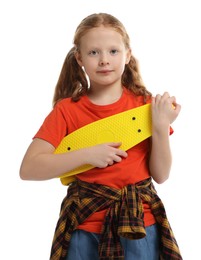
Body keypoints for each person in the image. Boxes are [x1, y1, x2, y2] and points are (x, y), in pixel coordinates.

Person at [19, 13, 182, 260]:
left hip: (139, 227)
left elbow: (160, 175)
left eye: (113, 51)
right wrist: (87, 155)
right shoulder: (67, 110)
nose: (104, 60)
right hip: (83, 227)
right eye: (94, 52)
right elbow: (29, 168)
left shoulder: (146, 107)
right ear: (79, 58)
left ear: (128, 54)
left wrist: (160, 126)